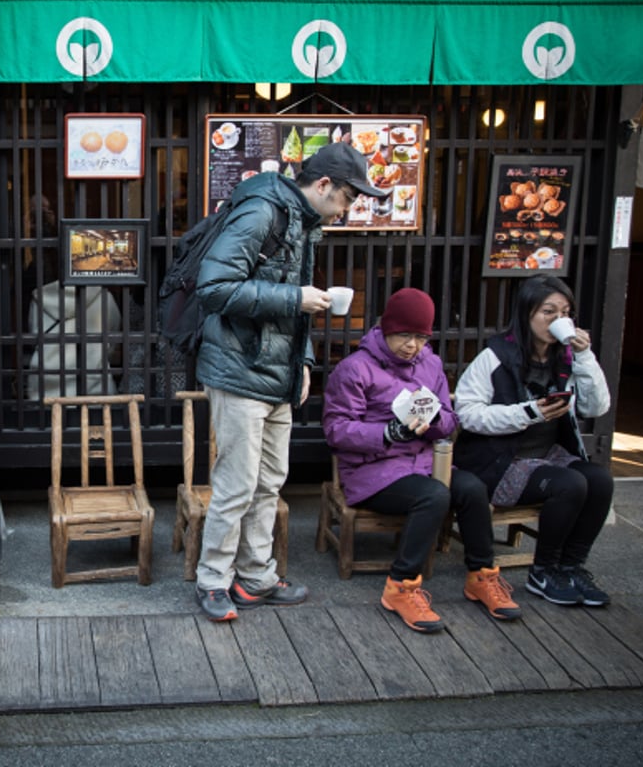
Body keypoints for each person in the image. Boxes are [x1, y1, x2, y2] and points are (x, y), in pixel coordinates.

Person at [193, 142, 389, 622]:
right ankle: (213, 580)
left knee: (269, 482)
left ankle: (256, 576)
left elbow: (295, 304)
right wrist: (294, 298)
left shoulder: (303, 221)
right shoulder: (262, 211)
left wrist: (302, 361)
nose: (348, 210)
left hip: (278, 372)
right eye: (348, 198)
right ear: (323, 185)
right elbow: (213, 288)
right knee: (236, 484)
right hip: (238, 368)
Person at [323, 288, 521, 633]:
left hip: (424, 462)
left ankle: (481, 575)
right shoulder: (355, 368)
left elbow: (449, 418)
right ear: (386, 328)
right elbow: (336, 430)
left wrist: (434, 424)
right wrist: (387, 433)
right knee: (433, 495)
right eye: (404, 335)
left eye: (419, 337)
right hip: (373, 470)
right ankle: (400, 586)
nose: (411, 345)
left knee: (473, 488)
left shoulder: (430, 364)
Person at [454, 275, 613, 607]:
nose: (557, 320)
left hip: (548, 456)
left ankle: (569, 568)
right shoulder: (495, 355)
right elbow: (466, 413)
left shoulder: (566, 357)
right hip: (499, 462)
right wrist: (527, 413)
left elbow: (596, 407)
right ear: (527, 313)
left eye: (565, 313)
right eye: (548, 312)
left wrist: (585, 357)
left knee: (599, 480)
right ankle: (542, 571)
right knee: (569, 484)